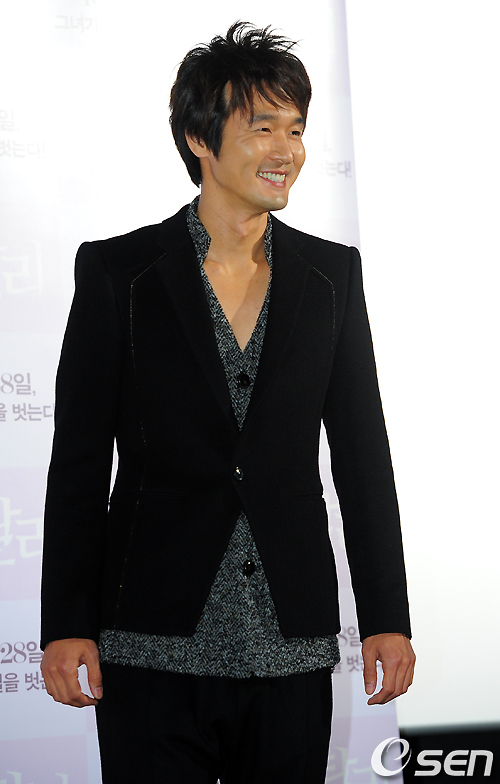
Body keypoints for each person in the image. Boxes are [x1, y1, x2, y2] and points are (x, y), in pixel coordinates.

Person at [40, 22, 415, 784]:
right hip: (149, 641)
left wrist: (387, 617)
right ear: (198, 139)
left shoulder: (331, 277)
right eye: (263, 127)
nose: (287, 150)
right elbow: (78, 463)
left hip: (290, 643)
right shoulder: (119, 274)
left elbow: (363, 459)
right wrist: (64, 624)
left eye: (296, 129)